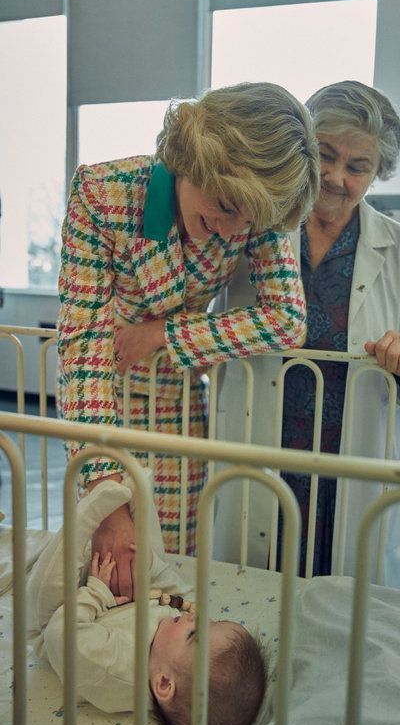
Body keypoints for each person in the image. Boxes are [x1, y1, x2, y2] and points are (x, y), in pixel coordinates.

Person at [56, 81, 320, 600]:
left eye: (247, 221)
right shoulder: (104, 193)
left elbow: (287, 319)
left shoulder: (251, 207)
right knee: (102, 563)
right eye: (223, 206)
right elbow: (83, 351)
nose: (229, 232)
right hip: (100, 398)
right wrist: (105, 493)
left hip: (179, 400)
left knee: (171, 563)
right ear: (193, 160)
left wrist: (164, 333)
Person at [214, 80, 400, 585]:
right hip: (260, 450)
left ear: (378, 173)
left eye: (358, 167)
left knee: (345, 630)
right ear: (304, 149)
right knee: (244, 616)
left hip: (354, 469)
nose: (334, 177)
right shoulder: (253, 226)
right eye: (325, 156)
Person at [27, 478, 267, 725]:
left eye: (193, 635)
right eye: (211, 622)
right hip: (107, 592)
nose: (192, 619)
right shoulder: (169, 641)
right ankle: (132, 495)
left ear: (164, 683)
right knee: (151, 554)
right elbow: (171, 585)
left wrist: (96, 593)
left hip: (55, 618)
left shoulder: (118, 672)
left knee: (44, 591)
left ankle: (91, 511)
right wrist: (144, 561)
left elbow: (61, 635)